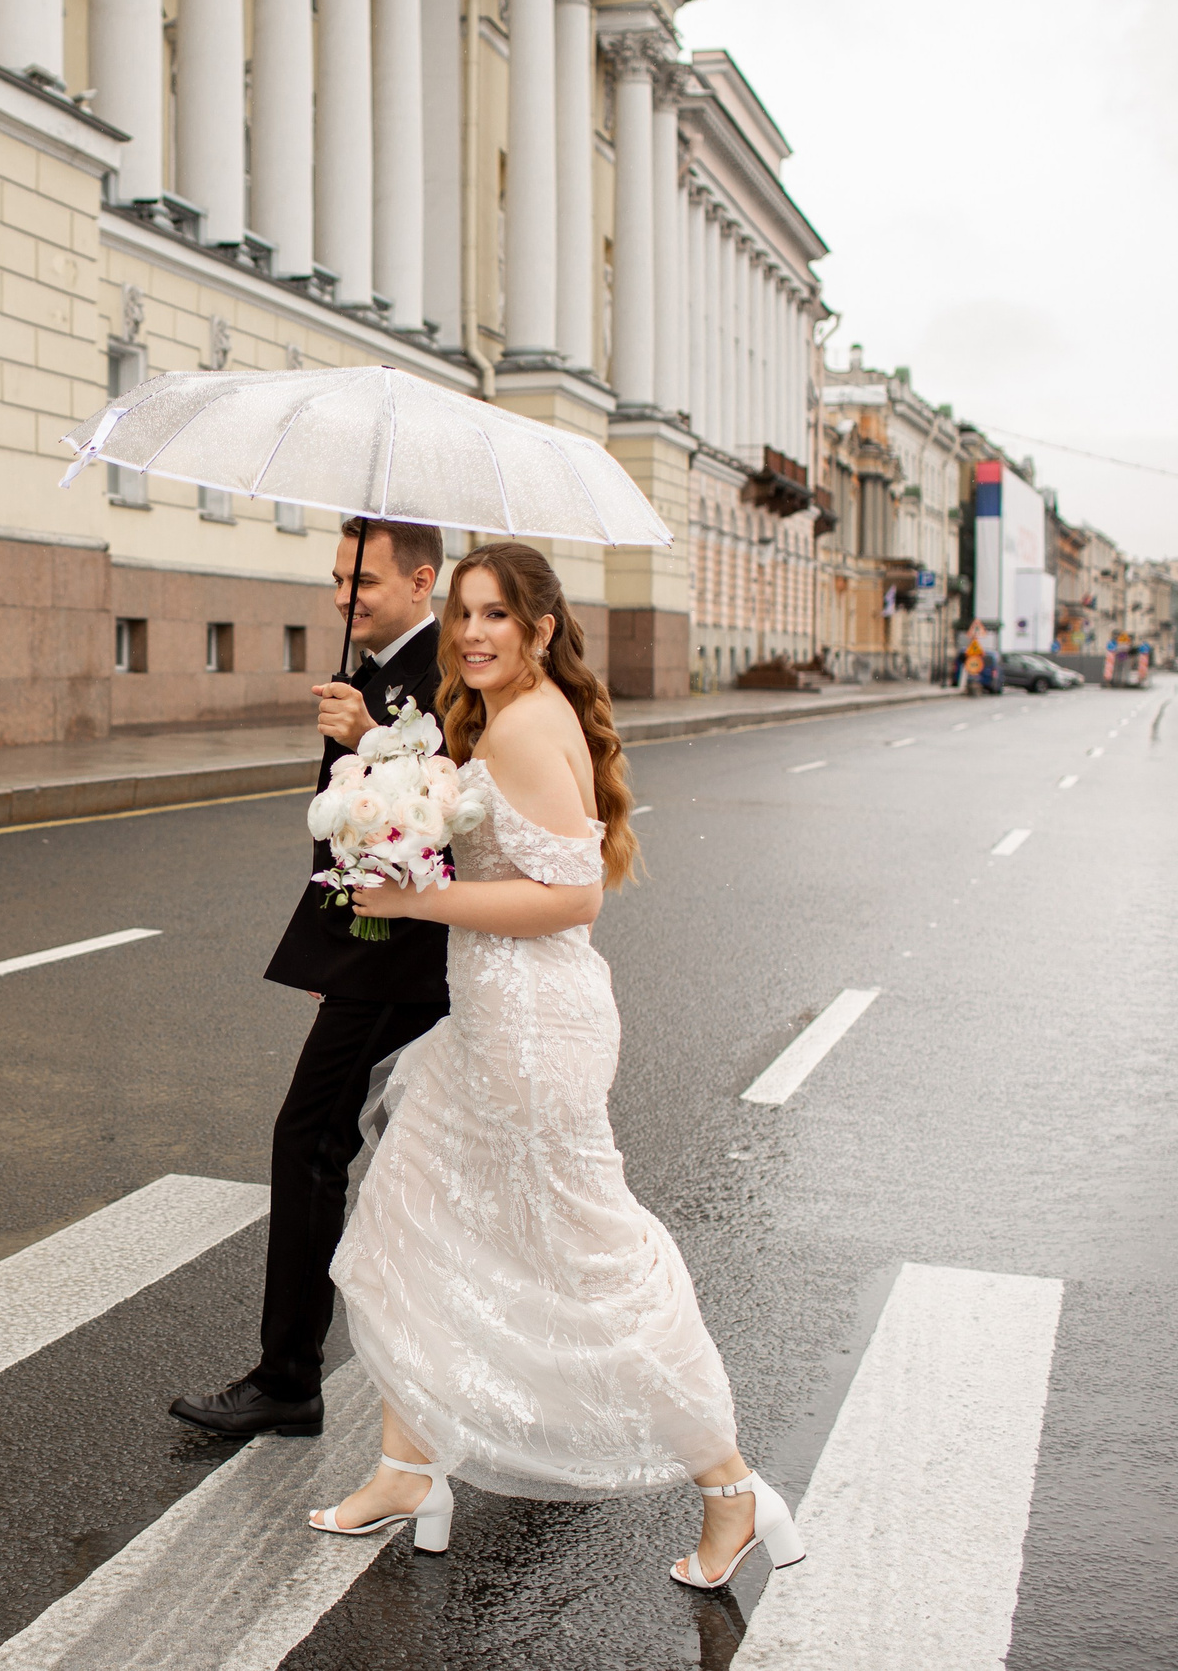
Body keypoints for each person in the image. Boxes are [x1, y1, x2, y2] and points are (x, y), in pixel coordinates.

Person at [304, 541, 805, 1590]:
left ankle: (733, 1491)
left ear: (538, 629)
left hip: (532, 1031)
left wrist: (413, 896)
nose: (473, 632)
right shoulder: (504, 715)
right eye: (462, 616)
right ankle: (406, 1467)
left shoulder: (528, 724)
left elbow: (568, 902)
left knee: (594, 1269)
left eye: (496, 616)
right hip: (495, 1024)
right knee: (406, 1215)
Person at [167, 518, 451, 1439]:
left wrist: (372, 737)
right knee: (427, 1151)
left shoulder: (446, 667)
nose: (343, 597)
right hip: (371, 949)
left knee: (311, 1136)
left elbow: (459, 801)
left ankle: (290, 1374)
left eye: (362, 580)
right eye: (336, 579)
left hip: (408, 955)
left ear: (420, 579)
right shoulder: (371, 672)